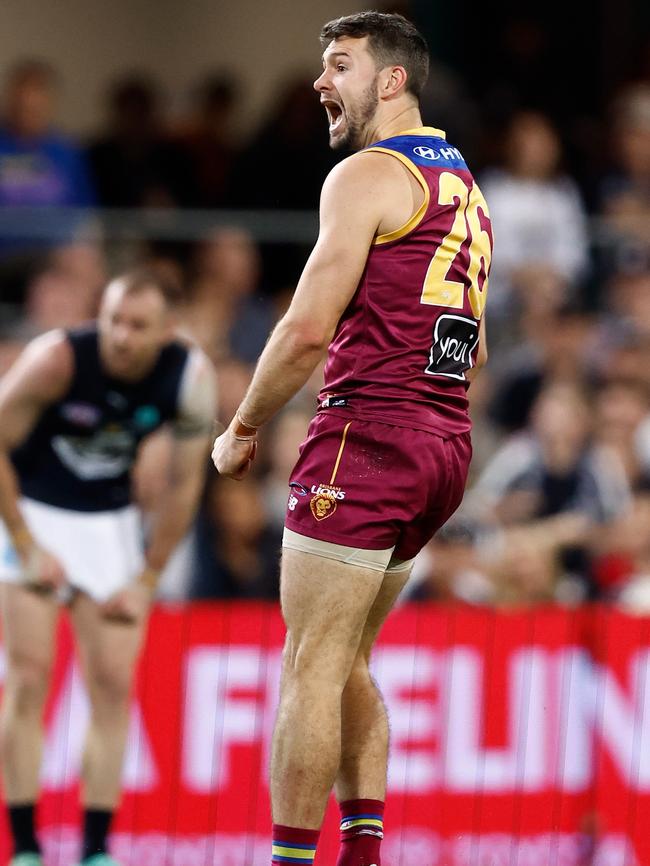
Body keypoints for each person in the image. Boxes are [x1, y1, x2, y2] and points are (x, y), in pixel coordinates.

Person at [212, 12, 491, 866]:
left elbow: (303, 330)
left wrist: (243, 425)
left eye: (340, 65)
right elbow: (471, 340)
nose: (321, 83)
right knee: (349, 655)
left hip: (365, 438)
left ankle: (292, 859)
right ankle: (363, 853)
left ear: (393, 80)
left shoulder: (369, 172)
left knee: (309, 660)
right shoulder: (464, 184)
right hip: (443, 445)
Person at [0, 270, 217, 866]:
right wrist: (24, 541)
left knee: (114, 687)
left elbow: (184, 483)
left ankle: (96, 849)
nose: (120, 337)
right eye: (113, 320)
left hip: (108, 524)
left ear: (166, 332)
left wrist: (147, 578)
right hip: (33, 509)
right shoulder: (57, 360)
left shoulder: (189, 379)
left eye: (137, 326)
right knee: (28, 678)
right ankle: (24, 846)